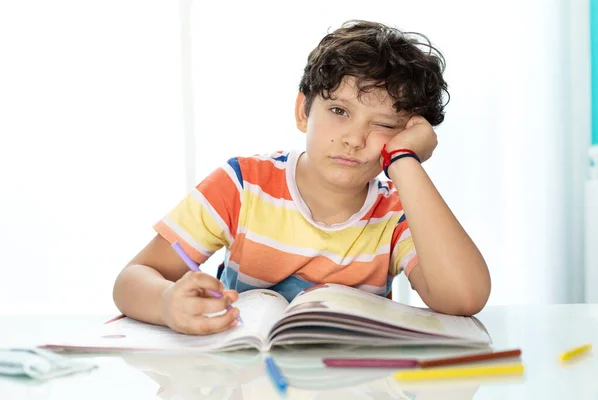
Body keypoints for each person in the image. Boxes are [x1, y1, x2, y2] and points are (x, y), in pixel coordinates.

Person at [113, 20, 491, 335]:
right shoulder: (242, 185)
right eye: (339, 111)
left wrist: (405, 161)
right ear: (303, 111)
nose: (353, 139)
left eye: (384, 125)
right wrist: (167, 303)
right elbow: (132, 279)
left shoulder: (397, 211)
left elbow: (464, 298)